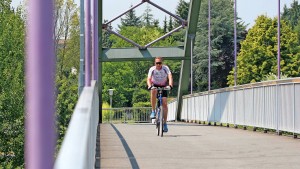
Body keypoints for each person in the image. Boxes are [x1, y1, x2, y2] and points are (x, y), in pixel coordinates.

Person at [147, 57, 173, 132]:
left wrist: (170, 85)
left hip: (163, 85)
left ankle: (165, 123)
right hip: (155, 85)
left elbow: (170, 76)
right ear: (154, 63)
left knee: (164, 103)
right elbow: (148, 79)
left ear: (162, 63)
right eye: (157, 63)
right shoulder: (152, 69)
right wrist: (149, 86)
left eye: (159, 63)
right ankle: (153, 111)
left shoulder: (165, 68)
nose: (158, 64)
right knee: (153, 91)